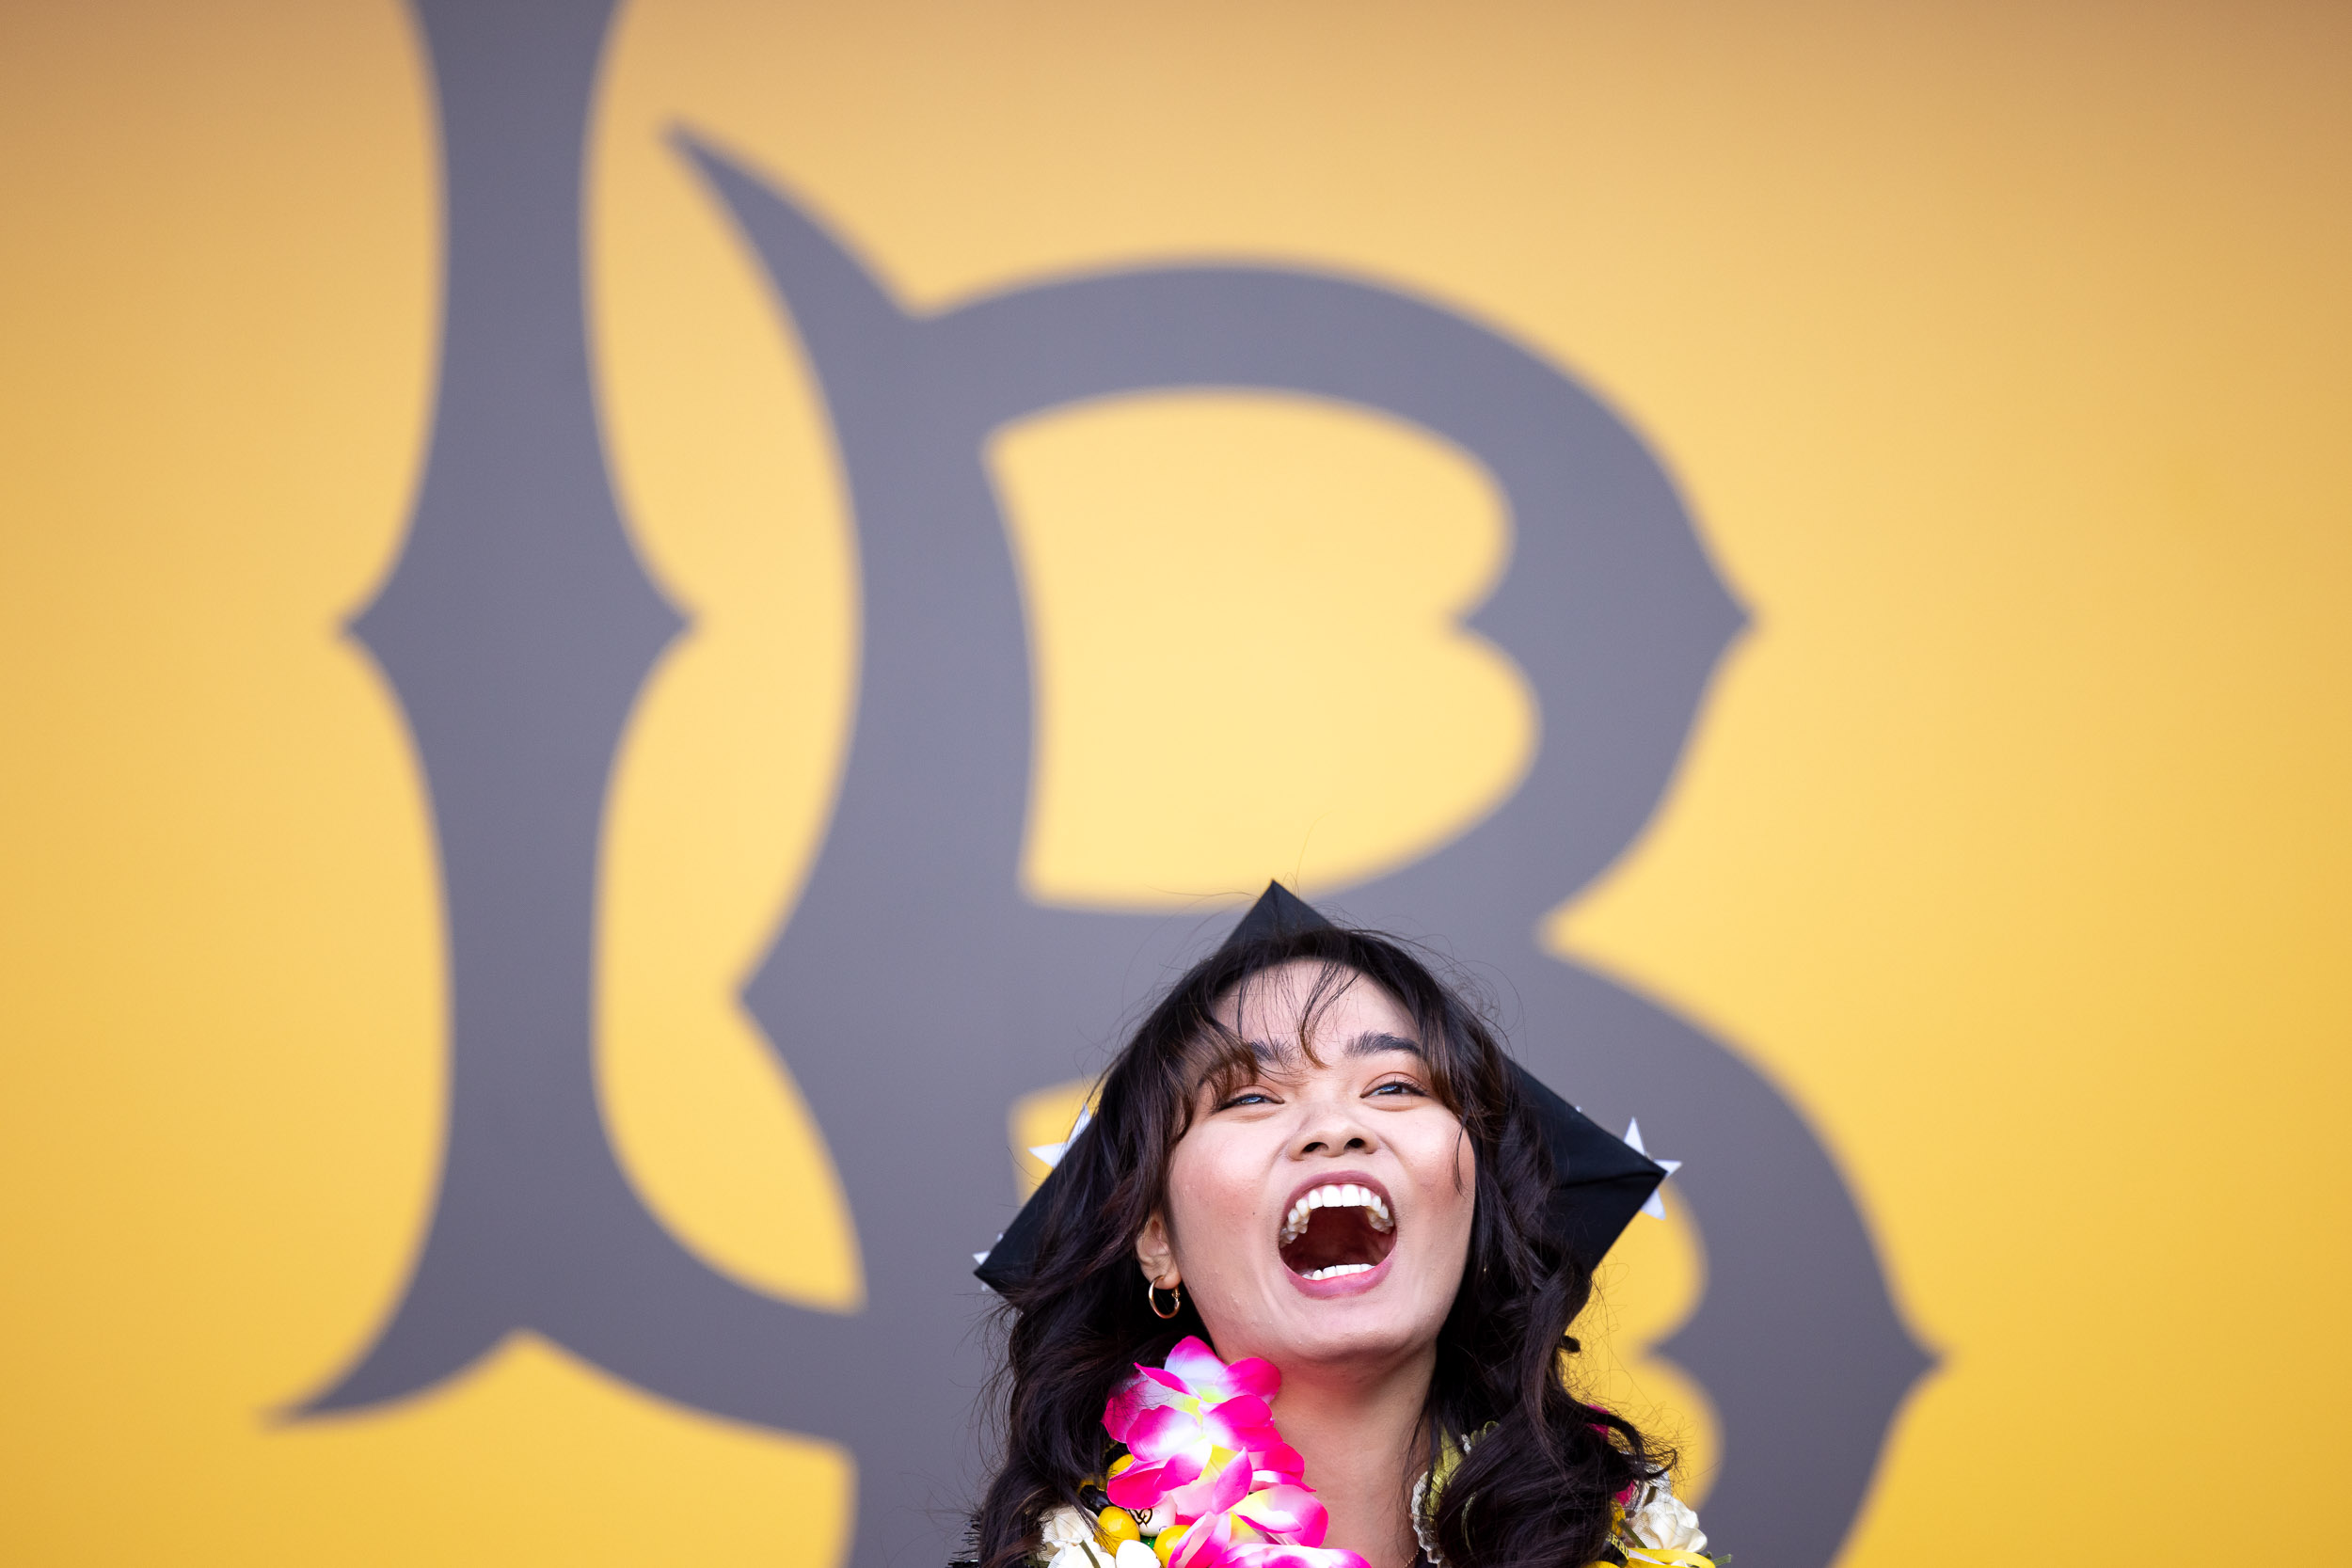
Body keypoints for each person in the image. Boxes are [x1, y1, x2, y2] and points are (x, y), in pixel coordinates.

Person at [969, 885, 1714, 1568]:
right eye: (1251, 1097)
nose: (1334, 1126)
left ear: (1476, 1203)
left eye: (1394, 1085)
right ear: (1157, 1237)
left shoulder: (1622, 1538)